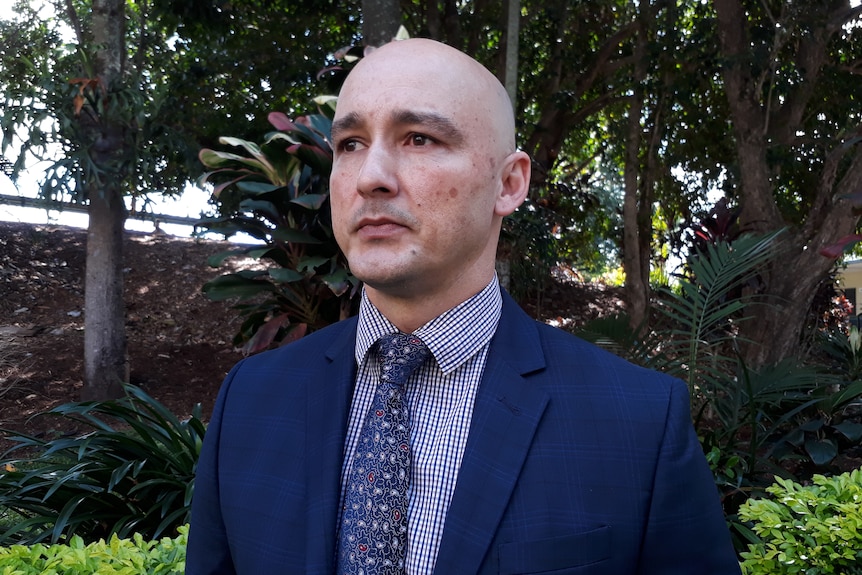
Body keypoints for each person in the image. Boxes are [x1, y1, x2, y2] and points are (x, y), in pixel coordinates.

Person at [186, 38, 741, 574]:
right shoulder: (250, 402)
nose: (371, 177)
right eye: (350, 144)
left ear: (508, 183)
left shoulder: (638, 422)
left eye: (419, 138)